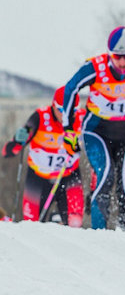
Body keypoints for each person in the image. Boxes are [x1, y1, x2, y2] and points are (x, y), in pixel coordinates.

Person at [61, 27, 125, 229]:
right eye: (117, 57)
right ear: (110, 54)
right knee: (106, 174)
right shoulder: (96, 67)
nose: (122, 62)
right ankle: (99, 231)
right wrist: (68, 129)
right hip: (97, 131)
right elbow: (70, 88)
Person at [2, 87, 86, 226]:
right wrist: (17, 140)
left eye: (72, 111)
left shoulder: (82, 119)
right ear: (53, 105)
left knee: (75, 224)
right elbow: (8, 151)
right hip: (38, 178)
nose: (66, 116)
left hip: (68, 176)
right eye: (61, 110)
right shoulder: (40, 117)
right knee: (31, 224)